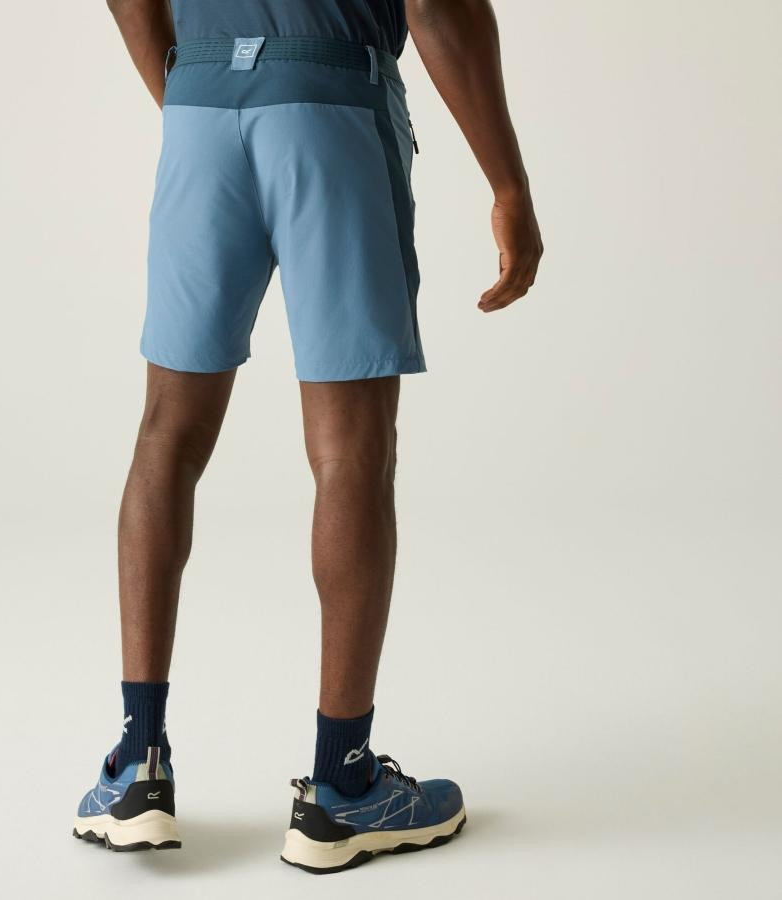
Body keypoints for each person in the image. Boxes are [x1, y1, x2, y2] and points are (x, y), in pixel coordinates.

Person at [73, 0, 542, 873]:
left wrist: (194, 94)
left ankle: (137, 766)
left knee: (167, 433)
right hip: (328, 105)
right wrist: (508, 186)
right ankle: (342, 786)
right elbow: (434, 7)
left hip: (200, 110)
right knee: (349, 449)